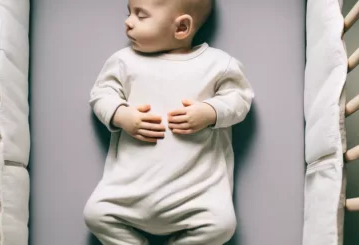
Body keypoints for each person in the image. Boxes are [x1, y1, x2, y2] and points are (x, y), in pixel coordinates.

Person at [83, 0, 254, 244]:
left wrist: (210, 111)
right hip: (129, 193)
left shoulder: (217, 64)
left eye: (141, 16)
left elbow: (240, 99)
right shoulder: (123, 61)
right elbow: (101, 94)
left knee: (222, 226)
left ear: (181, 27)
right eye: (129, 12)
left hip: (195, 196)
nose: (128, 22)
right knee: (95, 215)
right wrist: (122, 115)